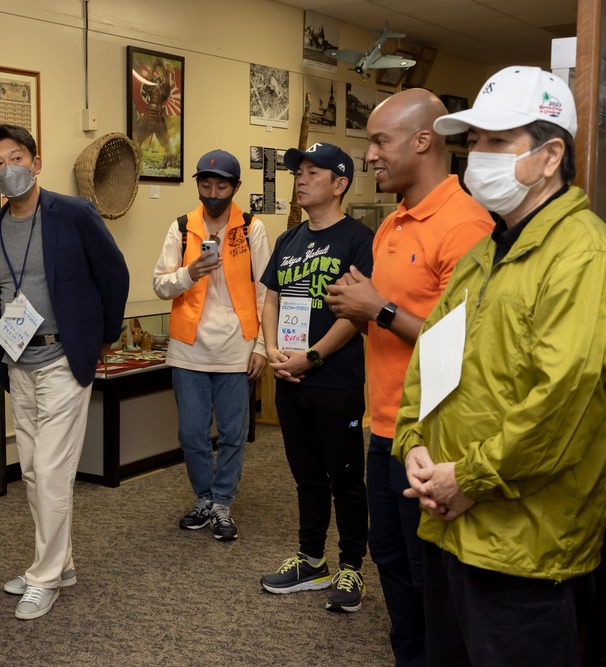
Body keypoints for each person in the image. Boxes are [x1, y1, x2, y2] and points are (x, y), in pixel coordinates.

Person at [393, 66, 606, 667]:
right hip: (449, 525)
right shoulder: (484, 252)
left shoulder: (583, 255)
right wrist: (413, 441)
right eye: (473, 142)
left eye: (495, 142)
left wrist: (470, 478)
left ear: (549, 155)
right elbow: (430, 359)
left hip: (527, 548)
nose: (475, 158)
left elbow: (563, 401)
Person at [325, 89, 493, 666]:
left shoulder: (465, 225)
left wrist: (378, 310)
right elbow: (380, 314)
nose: (368, 155)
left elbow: (468, 346)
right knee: (391, 562)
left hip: (430, 437)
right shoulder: (392, 223)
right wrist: (355, 309)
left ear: (424, 141)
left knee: (430, 578)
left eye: (379, 141)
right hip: (383, 427)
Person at [0, 124, 129, 620]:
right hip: (17, 360)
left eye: (17, 157)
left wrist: (104, 336)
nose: (9, 169)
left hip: (65, 358)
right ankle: (58, 562)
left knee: (52, 469)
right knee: (31, 470)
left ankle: (43, 577)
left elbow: (115, 274)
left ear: (36, 162)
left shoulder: (74, 213)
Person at [257, 143, 373, 612]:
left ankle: (351, 567)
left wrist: (313, 356)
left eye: (312, 172)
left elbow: (360, 312)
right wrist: (270, 350)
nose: (300, 179)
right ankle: (311, 560)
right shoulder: (288, 240)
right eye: (298, 172)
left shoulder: (358, 239)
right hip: (289, 379)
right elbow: (270, 297)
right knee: (306, 476)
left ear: (339, 184)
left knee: (345, 476)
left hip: (335, 379)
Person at [152, 149, 271, 541]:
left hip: (237, 346)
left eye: (222, 185)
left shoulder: (252, 228)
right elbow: (160, 284)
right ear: (198, 185)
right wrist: (190, 273)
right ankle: (204, 496)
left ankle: (222, 501)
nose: (213, 191)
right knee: (191, 433)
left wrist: (262, 348)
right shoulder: (182, 227)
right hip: (189, 347)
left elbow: (267, 292)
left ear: (235, 187)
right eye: (206, 183)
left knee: (235, 432)